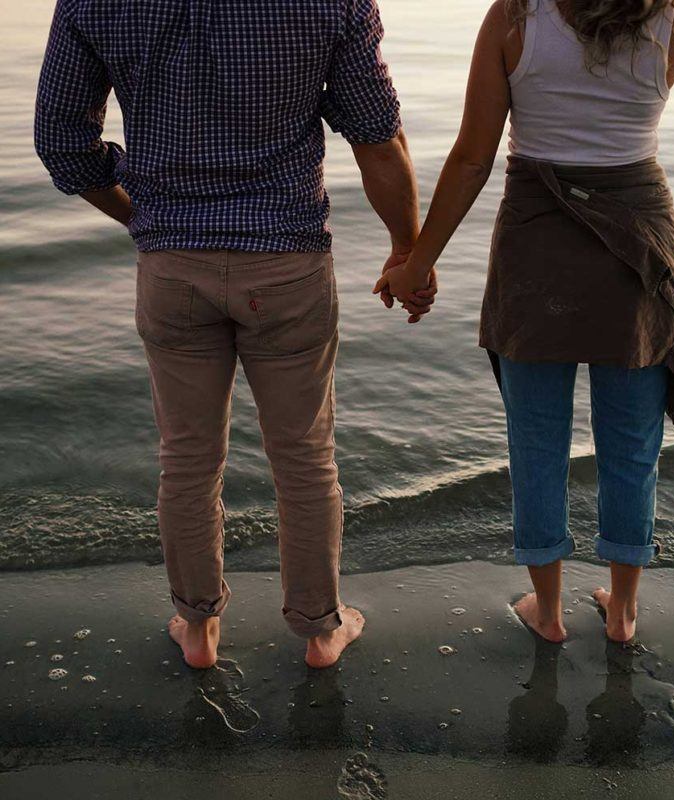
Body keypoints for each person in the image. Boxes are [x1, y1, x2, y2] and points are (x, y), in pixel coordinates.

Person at [35, 0, 436, 670]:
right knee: (305, 459)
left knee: (188, 461)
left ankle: (197, 629)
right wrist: (407, 252)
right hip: (287, 261)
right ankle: (319, 632)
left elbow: (62, 143)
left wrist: (143, 221)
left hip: (173, 267)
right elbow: (377, 137)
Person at [376, 0, 674, 642]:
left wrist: (417, 262)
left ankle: (546, 612)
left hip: (534, 244)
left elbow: (470, 157)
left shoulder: (515, 16)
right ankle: (623, 612)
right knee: (630, 445)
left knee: (536, 444)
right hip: (637, 246)